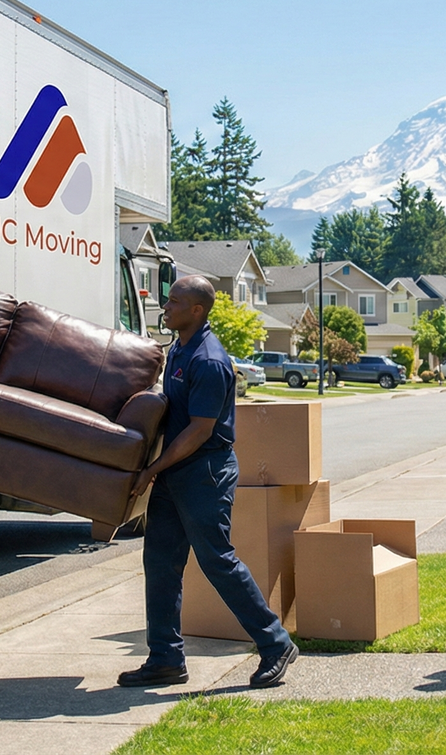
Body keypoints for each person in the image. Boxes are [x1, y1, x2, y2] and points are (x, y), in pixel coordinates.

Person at [118, 276, 299, 690]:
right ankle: (165, 658)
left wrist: (152, 469)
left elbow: (199, 430)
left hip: (204, 473)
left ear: (197, 310)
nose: (166, 306)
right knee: (160, 562)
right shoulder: (180, 347)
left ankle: (275, 643)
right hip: (174, 471)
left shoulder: (210, 360)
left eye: (174, 302)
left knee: (217, 560)